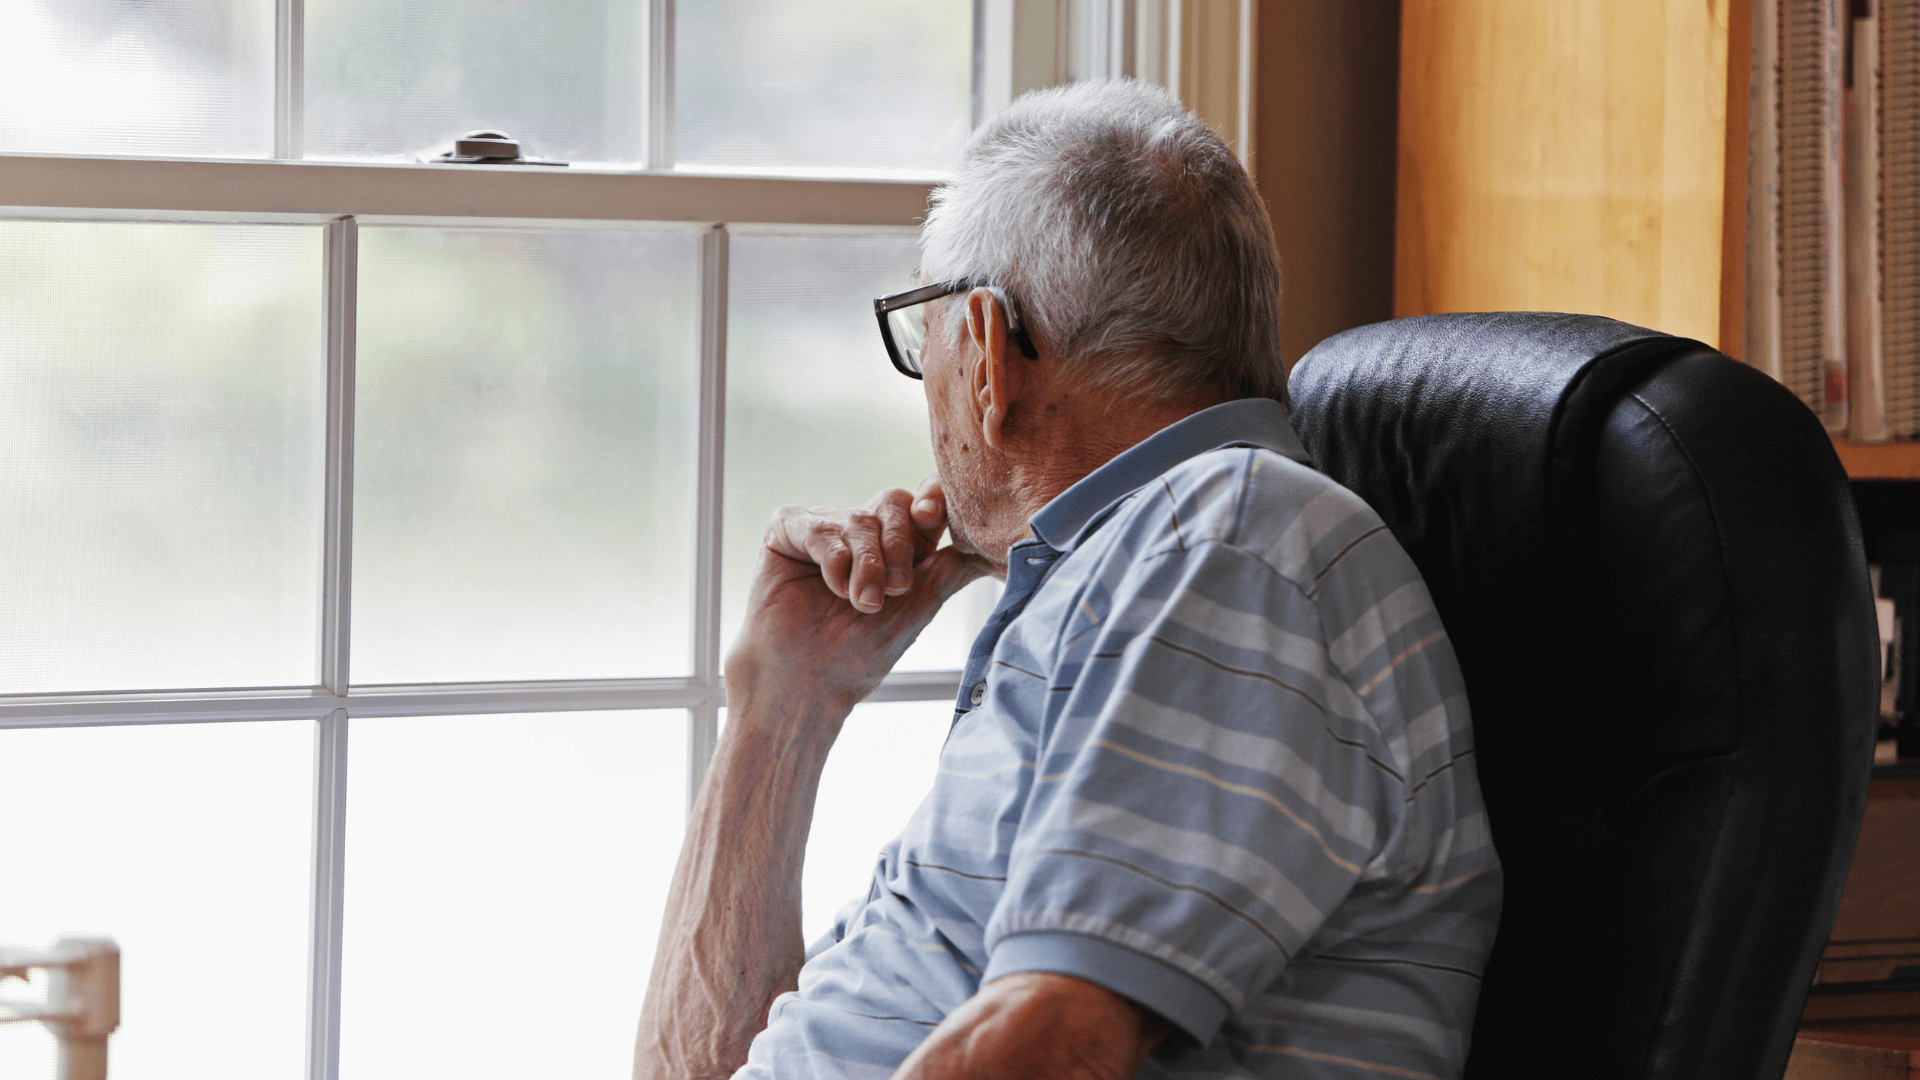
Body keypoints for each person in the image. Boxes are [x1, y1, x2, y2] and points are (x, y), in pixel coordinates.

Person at [634, 79, 1501, 1080]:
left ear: (988, 350)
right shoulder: (1155, 563)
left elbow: (1057, 1045)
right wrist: (781, 706)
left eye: (924, 335)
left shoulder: (1228, 546)